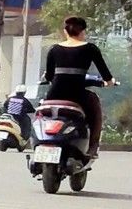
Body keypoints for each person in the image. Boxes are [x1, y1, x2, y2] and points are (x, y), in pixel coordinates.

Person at [42, 16, 116, 159]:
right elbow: (106, 75)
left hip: (54, 95)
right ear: (83, 32)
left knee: (43, 114)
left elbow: (49, 76)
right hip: (78, 95)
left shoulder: (54, 49)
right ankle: (93, 146)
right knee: (94, 111)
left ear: (65, 31)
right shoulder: (90, 48)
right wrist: (109, 82)